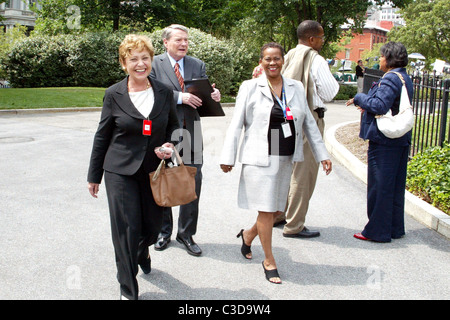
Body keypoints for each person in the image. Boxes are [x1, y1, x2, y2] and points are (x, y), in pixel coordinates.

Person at [220, 42, 332, 284]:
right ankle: (269, 260)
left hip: (285, 155)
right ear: (261, 61)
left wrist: (322, 154)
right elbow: (236, 123)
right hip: (259, 158)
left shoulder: (296, 87)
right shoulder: (250, 87)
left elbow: (309, 124)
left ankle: (248, 235)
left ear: (283, 61)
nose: (272, 63)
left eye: (277, 58)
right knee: (267, 209)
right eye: (267, 59)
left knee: (277, 209)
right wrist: (228, 157)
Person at [87, 34, 179, 300]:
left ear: (152, 60)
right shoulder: (113, 94)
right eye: (133, 59)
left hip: (154, 170)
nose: (140, 64)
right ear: (124, 63)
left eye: (145, 58)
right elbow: (102, 135)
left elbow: (174, 127)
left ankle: (143, 251)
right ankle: (128, 288)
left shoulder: (164, 91)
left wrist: (170, 145)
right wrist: (94, 176)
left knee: (152, 227)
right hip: (119, 170)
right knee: (126, 229)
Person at [150, 24, 221, 256]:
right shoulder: (153, 64)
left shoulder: (196, 64)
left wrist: (214, 96)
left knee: (192, 181)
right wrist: (180, 96)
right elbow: (149, 92)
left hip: (190, 131)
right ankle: (163, 232)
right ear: (165, 42)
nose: (183, 44)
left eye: (186, 40)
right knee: (164, 179)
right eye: (179, 40)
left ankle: (186, 234)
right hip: (164, 133)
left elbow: (202, 98)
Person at [273, 20, 339, 238]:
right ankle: (294, 225)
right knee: (304, 174)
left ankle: (279, 215)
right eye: (320, 37)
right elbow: (329, 93)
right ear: (312, 39)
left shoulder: (288, 55)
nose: (322, 41)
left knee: (285, 169)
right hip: (308, 120)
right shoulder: (315, 59)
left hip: (286, 120)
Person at [346, 42, 413, 242]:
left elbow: (380, 105)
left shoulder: (390, 78)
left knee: (380, 186)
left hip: (384, 141)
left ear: (390, 58)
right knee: (394, 186)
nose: (380, 60)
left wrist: (359, 98)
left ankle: (377, 231)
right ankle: (394, 228)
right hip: (399, 140)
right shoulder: (403, 76)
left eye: (382, 56)